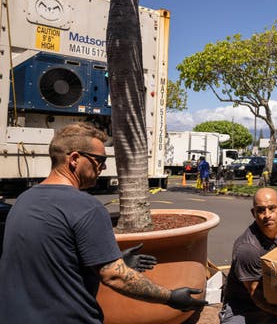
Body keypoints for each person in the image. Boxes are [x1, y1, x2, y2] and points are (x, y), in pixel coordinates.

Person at [0, 122, 207, 322]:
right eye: (99, 159)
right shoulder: (86, 207)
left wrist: (107, 260)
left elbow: (50, 261)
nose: (103, 167)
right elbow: (115, 278)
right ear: (74, 159)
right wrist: (171, 297)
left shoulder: (24, 200)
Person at [219, 187, 277, 324]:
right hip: (244, 307)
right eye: (261, 210)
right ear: (253, 213)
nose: (267, 215)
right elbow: (256, 295)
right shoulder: (247, 249)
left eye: (272, 208)